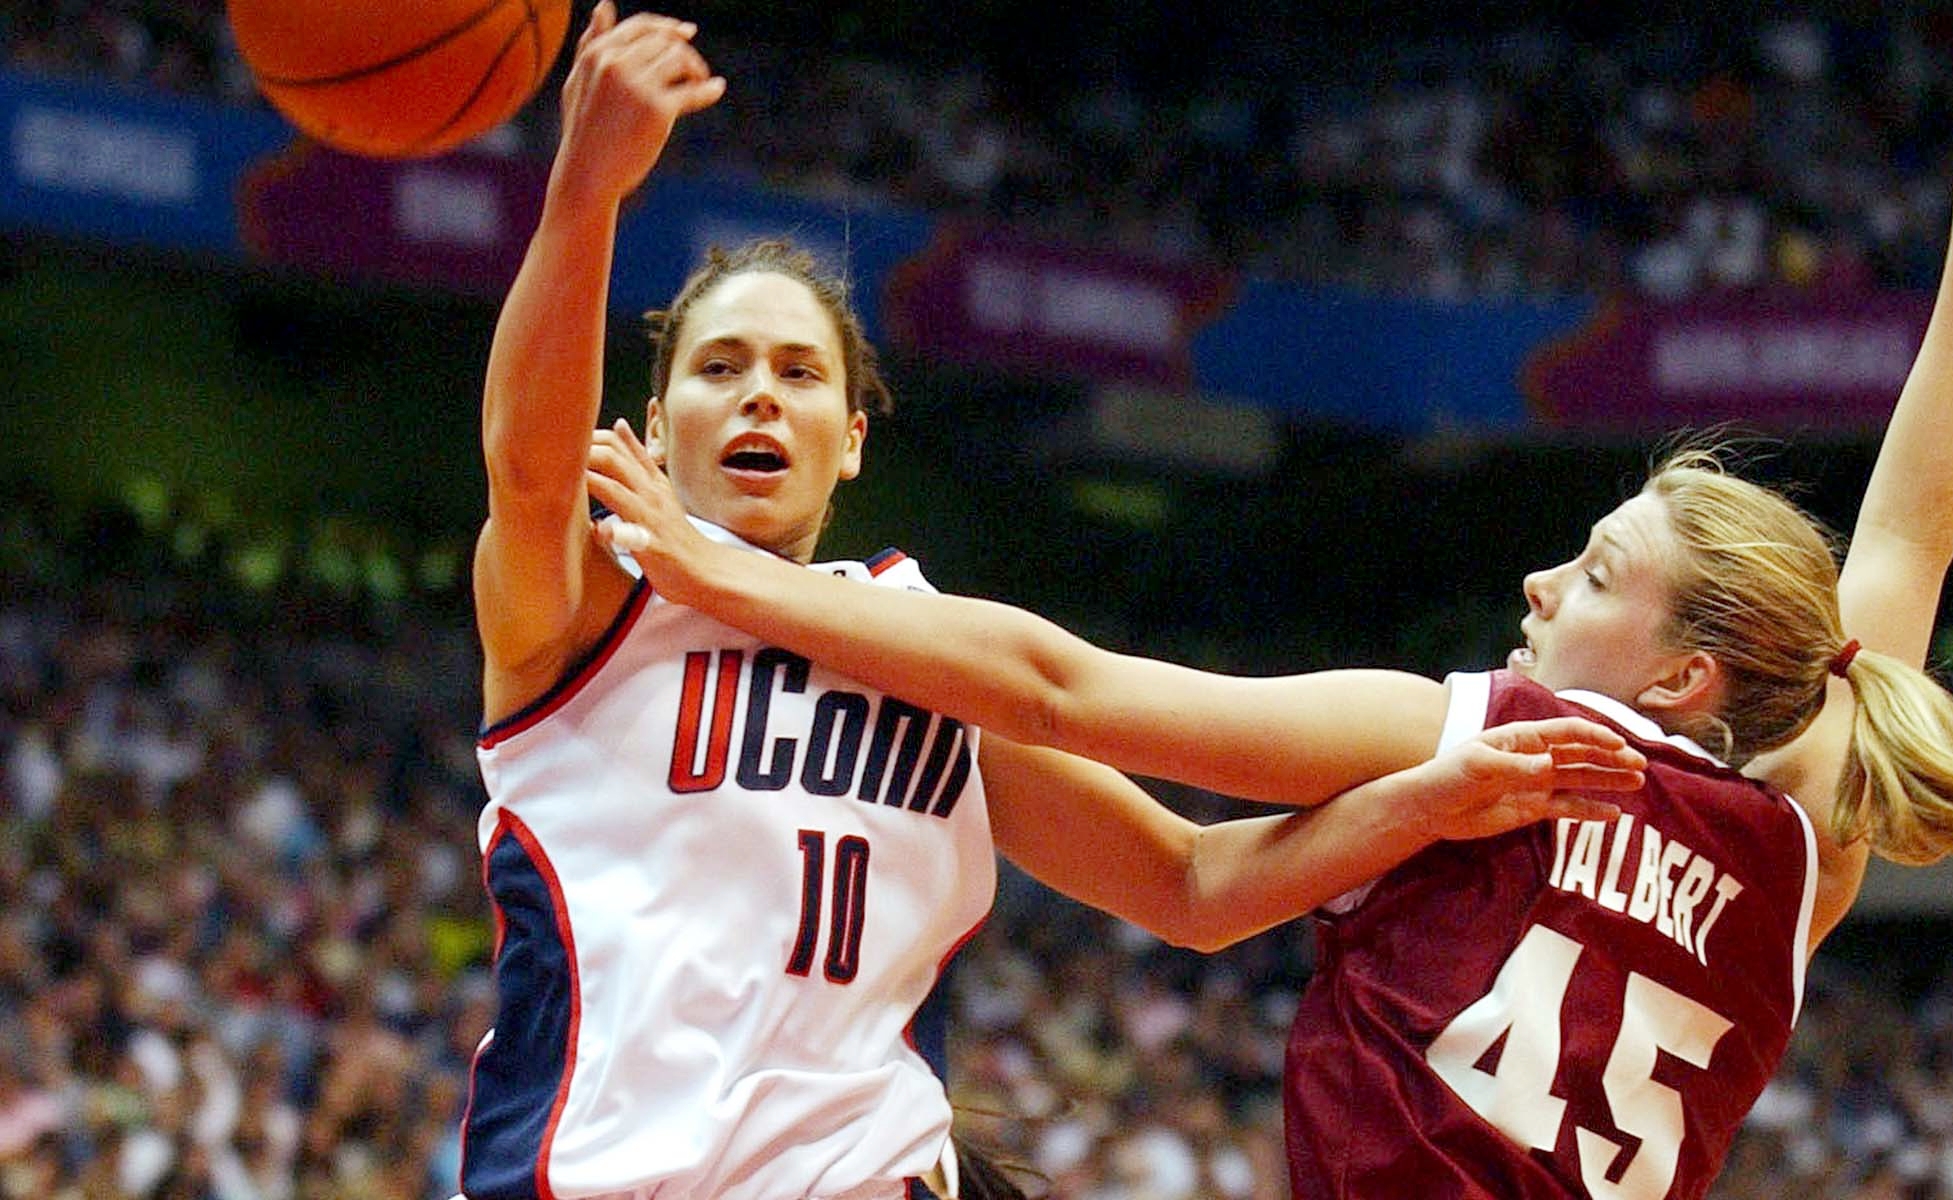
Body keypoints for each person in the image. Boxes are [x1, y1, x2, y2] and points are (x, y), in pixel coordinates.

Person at [581, 11, 1953, 1198]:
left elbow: (1061, 690)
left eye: (1590, 574)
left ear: (1684, 680)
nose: (1537, 582)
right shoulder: (1796, 859)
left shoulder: (1504, 744)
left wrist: (728, 577)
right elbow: (1905, 543)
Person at [462, 5, 1647, 1199]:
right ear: (656, 431)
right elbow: (526, 464)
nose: (759, 395)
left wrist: (1426, 802)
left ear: (854, 440)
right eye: (719, 368)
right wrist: (587, 188)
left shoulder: (931, 656)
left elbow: (1189, 884)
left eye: (799, 372)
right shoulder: (584, 609)